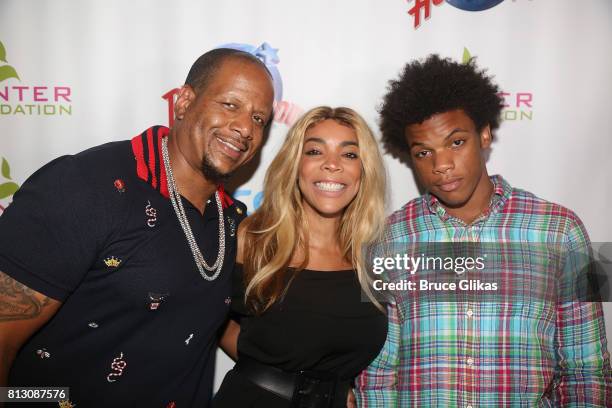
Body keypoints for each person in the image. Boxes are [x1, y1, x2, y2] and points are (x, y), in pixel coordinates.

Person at [0, 48, 274, 407]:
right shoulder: (86, 186)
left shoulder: (230, 220)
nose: (244, 128)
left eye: (259, 118)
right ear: (184, 102)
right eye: (229, 104)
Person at [356, 55, 611, 406]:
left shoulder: (562, 230)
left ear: (485, 134)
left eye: (456, 142)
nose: (441, 165)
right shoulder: (387, 240)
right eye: (424, 152)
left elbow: (588, 370)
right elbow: (378, 376)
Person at [212, 106, 388, 408]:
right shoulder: (252, 240)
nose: (332, 165)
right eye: (315, 151)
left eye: (349, 154)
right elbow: (209, 318)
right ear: (295, 164)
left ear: (364, 170)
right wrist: (277, 375)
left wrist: (328, 391)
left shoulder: (370, 258)